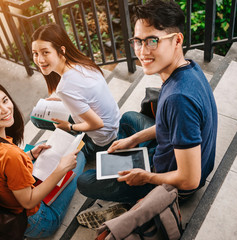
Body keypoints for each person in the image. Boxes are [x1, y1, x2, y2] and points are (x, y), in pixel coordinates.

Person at [77, 0, 218, 204]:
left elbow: (190, 180)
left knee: (85, 180)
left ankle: (138, 201)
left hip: (173, 186)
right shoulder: (188, 68)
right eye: (138, 41)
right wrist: (132, 140)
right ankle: (134, 153)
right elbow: (169, 124)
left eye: (153, 41)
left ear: (177, 41)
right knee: (128, 119)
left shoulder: (178, 99)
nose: (142, 52)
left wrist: (145, 177)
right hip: (172, 153)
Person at [0, 78, 86, 238]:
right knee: (80, 158)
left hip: (0, 203)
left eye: (5, 100)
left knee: (45, 145)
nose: (6, 109)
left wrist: (29, 155)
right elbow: (28, 202)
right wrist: (61, 169)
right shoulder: (9, 155)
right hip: (35, 222)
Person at [31, 23, 120, 162]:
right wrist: (62, 101)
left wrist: (70, 127)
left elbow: (97, 124)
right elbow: (84, 95)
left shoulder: (65, 88)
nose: (39, 60)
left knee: (38, 124)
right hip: (115, 123)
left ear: (61, 50)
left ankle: (73, 138)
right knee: (36, 117)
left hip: (102, 142)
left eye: (45, 52)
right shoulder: (82, 62)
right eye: (35, 53)